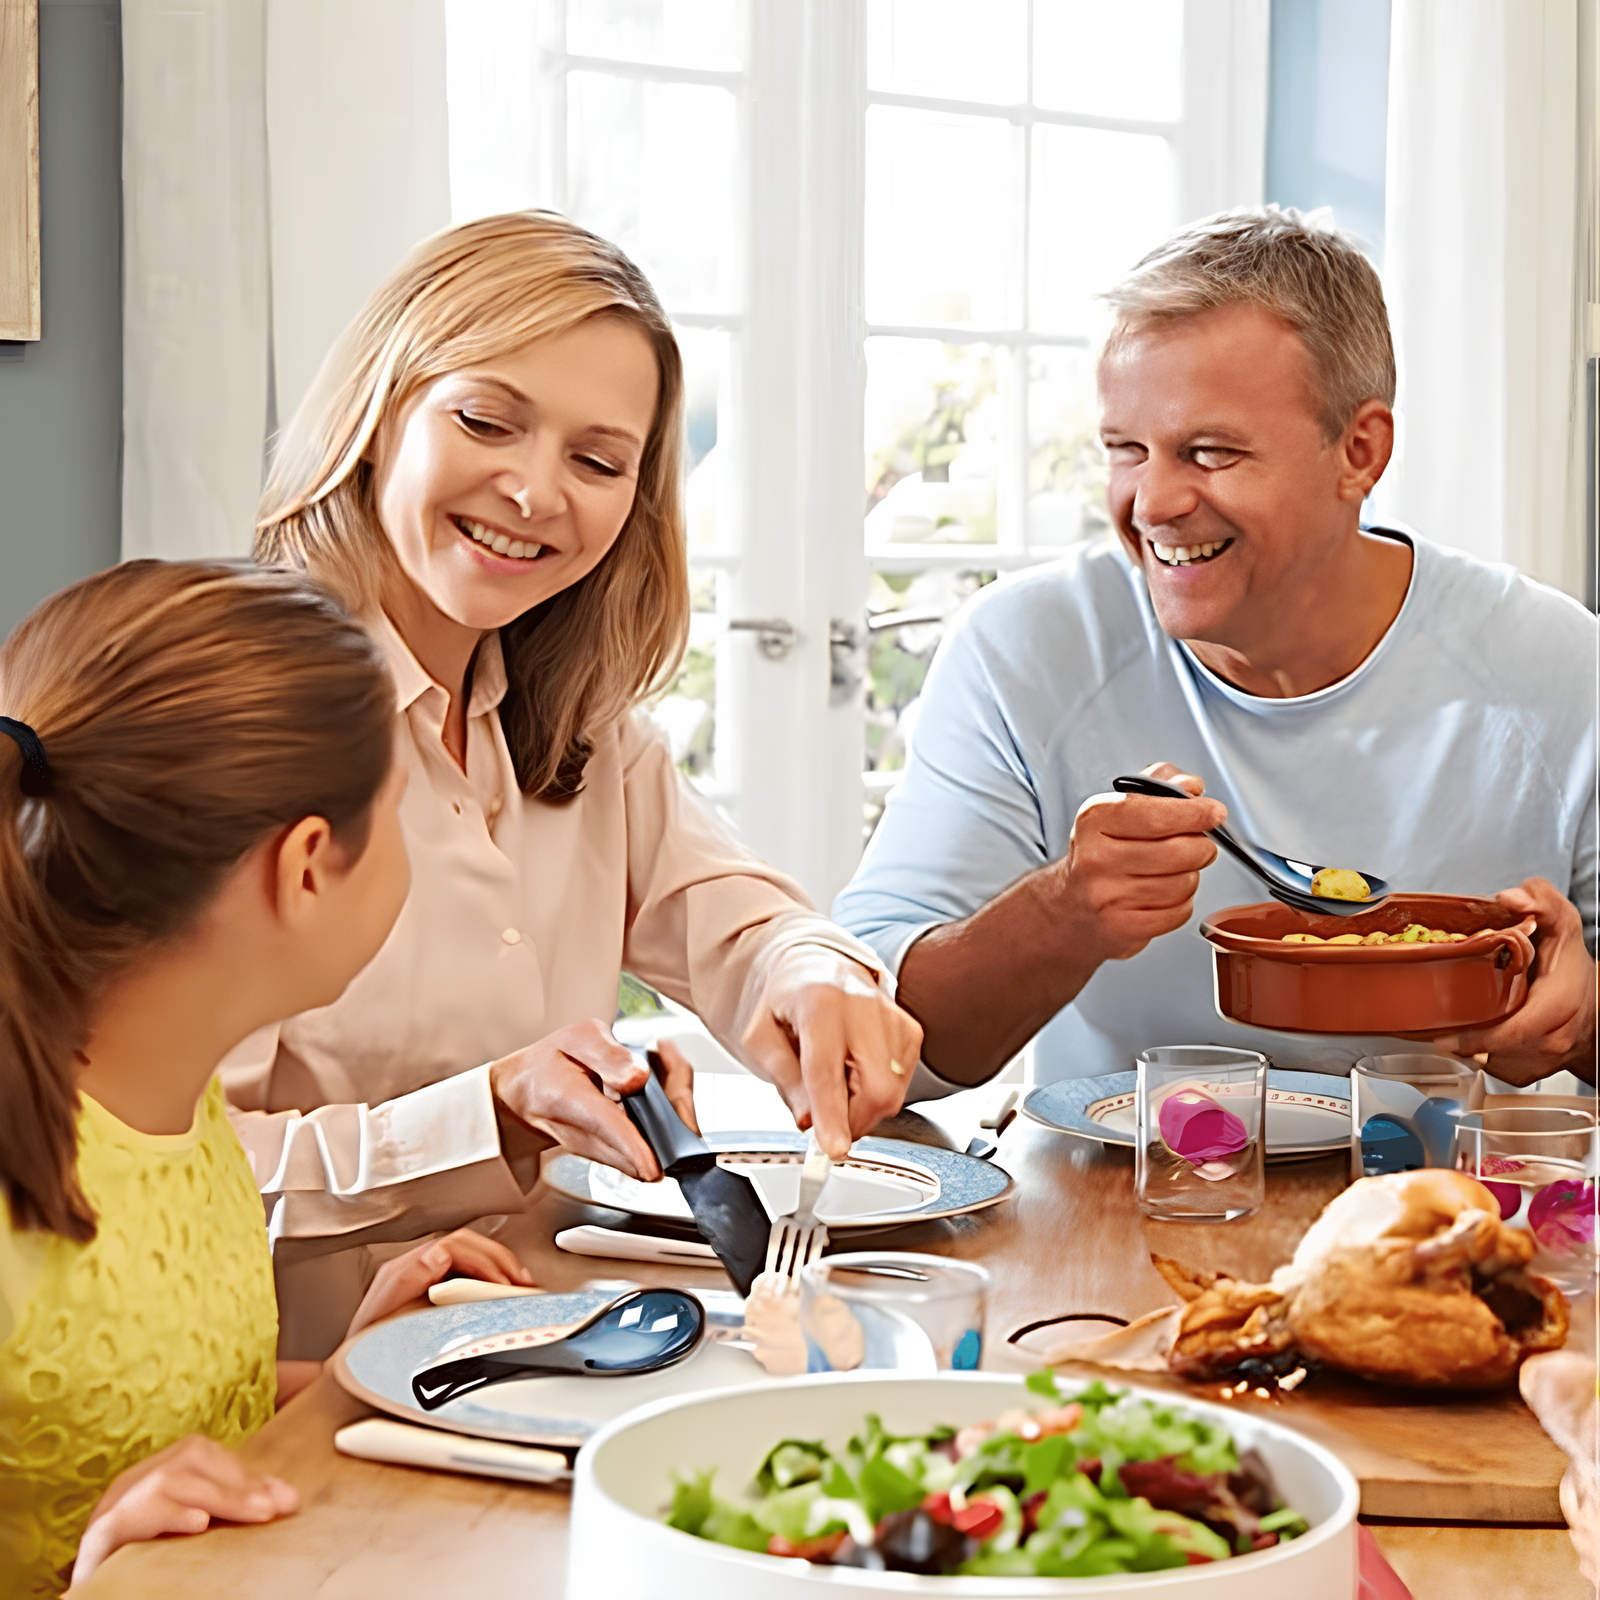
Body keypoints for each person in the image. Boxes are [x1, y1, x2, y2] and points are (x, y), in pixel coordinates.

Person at [242, 212, 922, 1354]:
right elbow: (151, 1181)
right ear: (377, 413)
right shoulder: (238, 733)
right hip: (289, 1420)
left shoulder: (582, 733)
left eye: (598, 462)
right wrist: (489, 1114)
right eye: (485, 421)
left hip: (548, 1360)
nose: (532, 490)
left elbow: (745, 924)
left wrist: (813, 975)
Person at [835, 207, 1596, 1091]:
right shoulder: (1025, 650)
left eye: (1209, 453)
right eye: (1127, 450)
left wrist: (1581, 1022)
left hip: (1453, 1212)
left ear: (1360, 451)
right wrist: (1063, 914)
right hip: (1120, 1206)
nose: (1153, 503)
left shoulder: (1559, 667)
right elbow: (869, 1041)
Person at [0, 562, 531, 1598]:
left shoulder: (180, 1103)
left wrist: (348, 1378)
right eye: (399, 814)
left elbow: (166, 1430)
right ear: (306, 866)